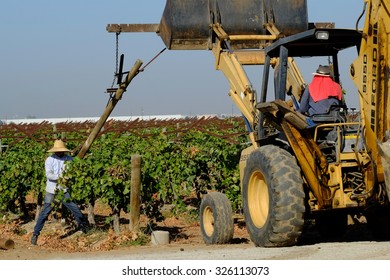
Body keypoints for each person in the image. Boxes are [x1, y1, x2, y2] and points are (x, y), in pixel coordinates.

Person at [31, 139, 88, 245]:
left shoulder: (69, 159)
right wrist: (62, 177)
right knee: (45, 213)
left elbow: (73, 170)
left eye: (61, 150)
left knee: (75, 208)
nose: (59, 152)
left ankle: (85, 229)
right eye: (58, 150)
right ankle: (35, 234)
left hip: (64, 190)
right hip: (51, 190)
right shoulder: (49, 160)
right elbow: (49, 175)